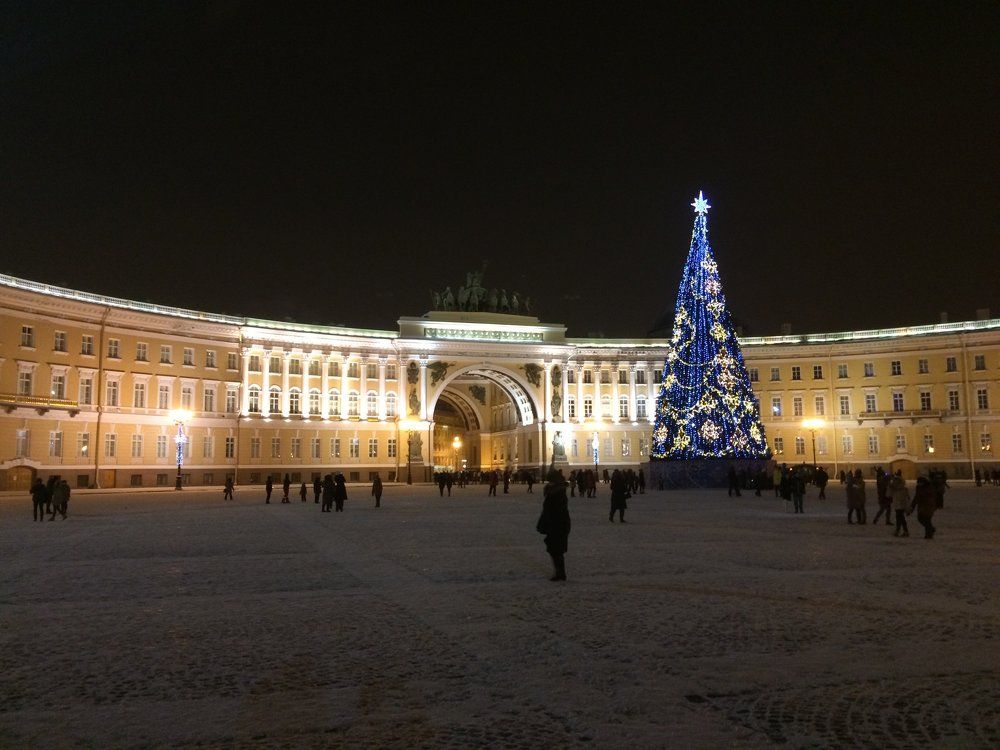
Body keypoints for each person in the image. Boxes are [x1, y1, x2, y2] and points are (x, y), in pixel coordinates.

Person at [536, 469, 571, 581]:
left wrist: (546, 522)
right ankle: (559, 572)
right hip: (556, 523)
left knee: (556, 548)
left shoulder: (557, 493)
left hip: (557, 524)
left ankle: (560, 573)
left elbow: (553, 511)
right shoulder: (555, 492)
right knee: (554, 548)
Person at [889, 472, 910, 537]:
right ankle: (901, 531)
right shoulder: (895, 489)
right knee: (900, 518)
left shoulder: (902, 490)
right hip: (897, 506)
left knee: (900, 518)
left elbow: (904, 499)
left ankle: (902, 531)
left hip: (901, 506)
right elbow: (888, 495)